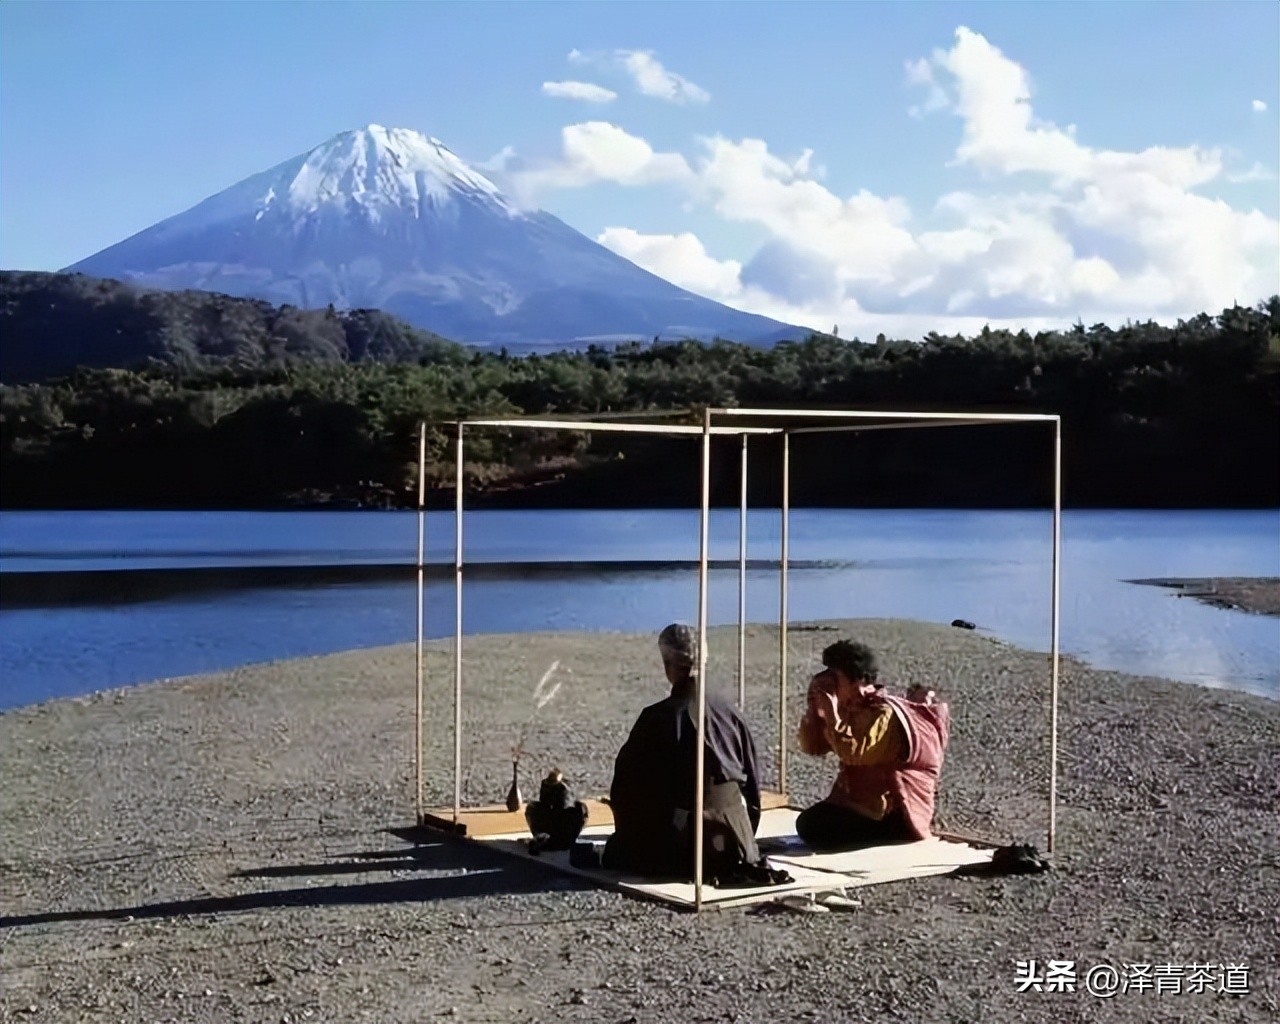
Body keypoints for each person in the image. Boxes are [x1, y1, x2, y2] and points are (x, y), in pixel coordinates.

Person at [603, 623, 764, 879]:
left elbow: (625, 790)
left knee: (615, 851)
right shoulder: (730, 713)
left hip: (682, 846)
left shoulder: (657, 718)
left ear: (668, 664)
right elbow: (752, 785)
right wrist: (747, 832)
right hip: (736, 840)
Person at [795, 639, 949, 851]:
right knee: (811, 822)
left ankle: (889, 834)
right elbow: (813, 748)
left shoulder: (882, 712)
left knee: (813, 825)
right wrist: (815, 711)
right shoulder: (850, 707)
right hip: (860, 805)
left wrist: (832, 715)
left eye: (836, 677)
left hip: (894, 812)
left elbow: (854, 753)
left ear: (855, 680)